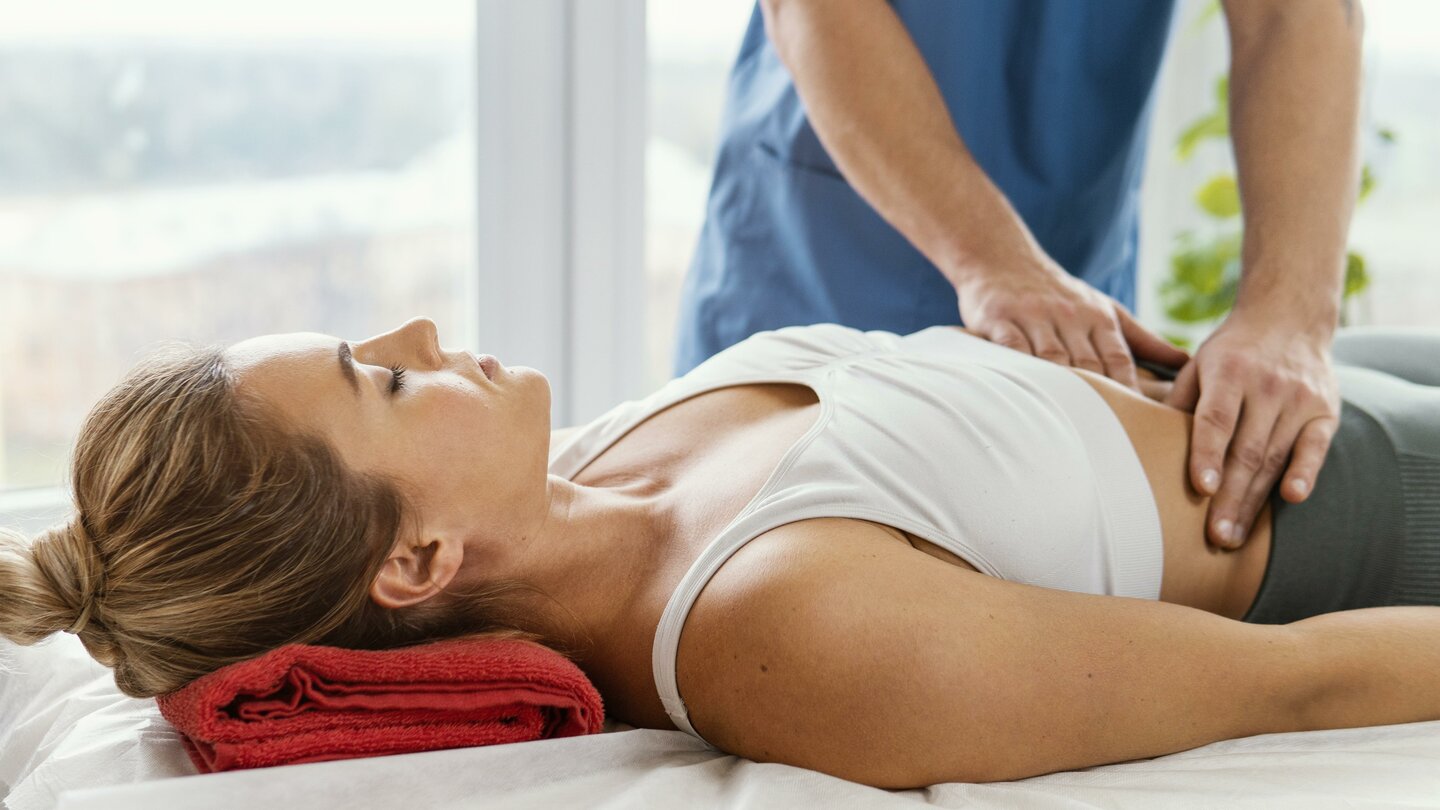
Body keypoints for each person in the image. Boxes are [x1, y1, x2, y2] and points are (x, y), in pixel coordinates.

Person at [2, 316, 1436, 788]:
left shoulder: (599, 461)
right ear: (418, 562)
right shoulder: (781, 626)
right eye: (379, 379)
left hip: (1296, 381)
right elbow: (1297, 681)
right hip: (1363, 506)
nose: (421, 331)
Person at [674, 0, 1365, 555]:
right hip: (823, 248)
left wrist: (1289, 318)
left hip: (1071, 270)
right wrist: (992, 261)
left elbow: (1292, 14)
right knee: (749, 551)